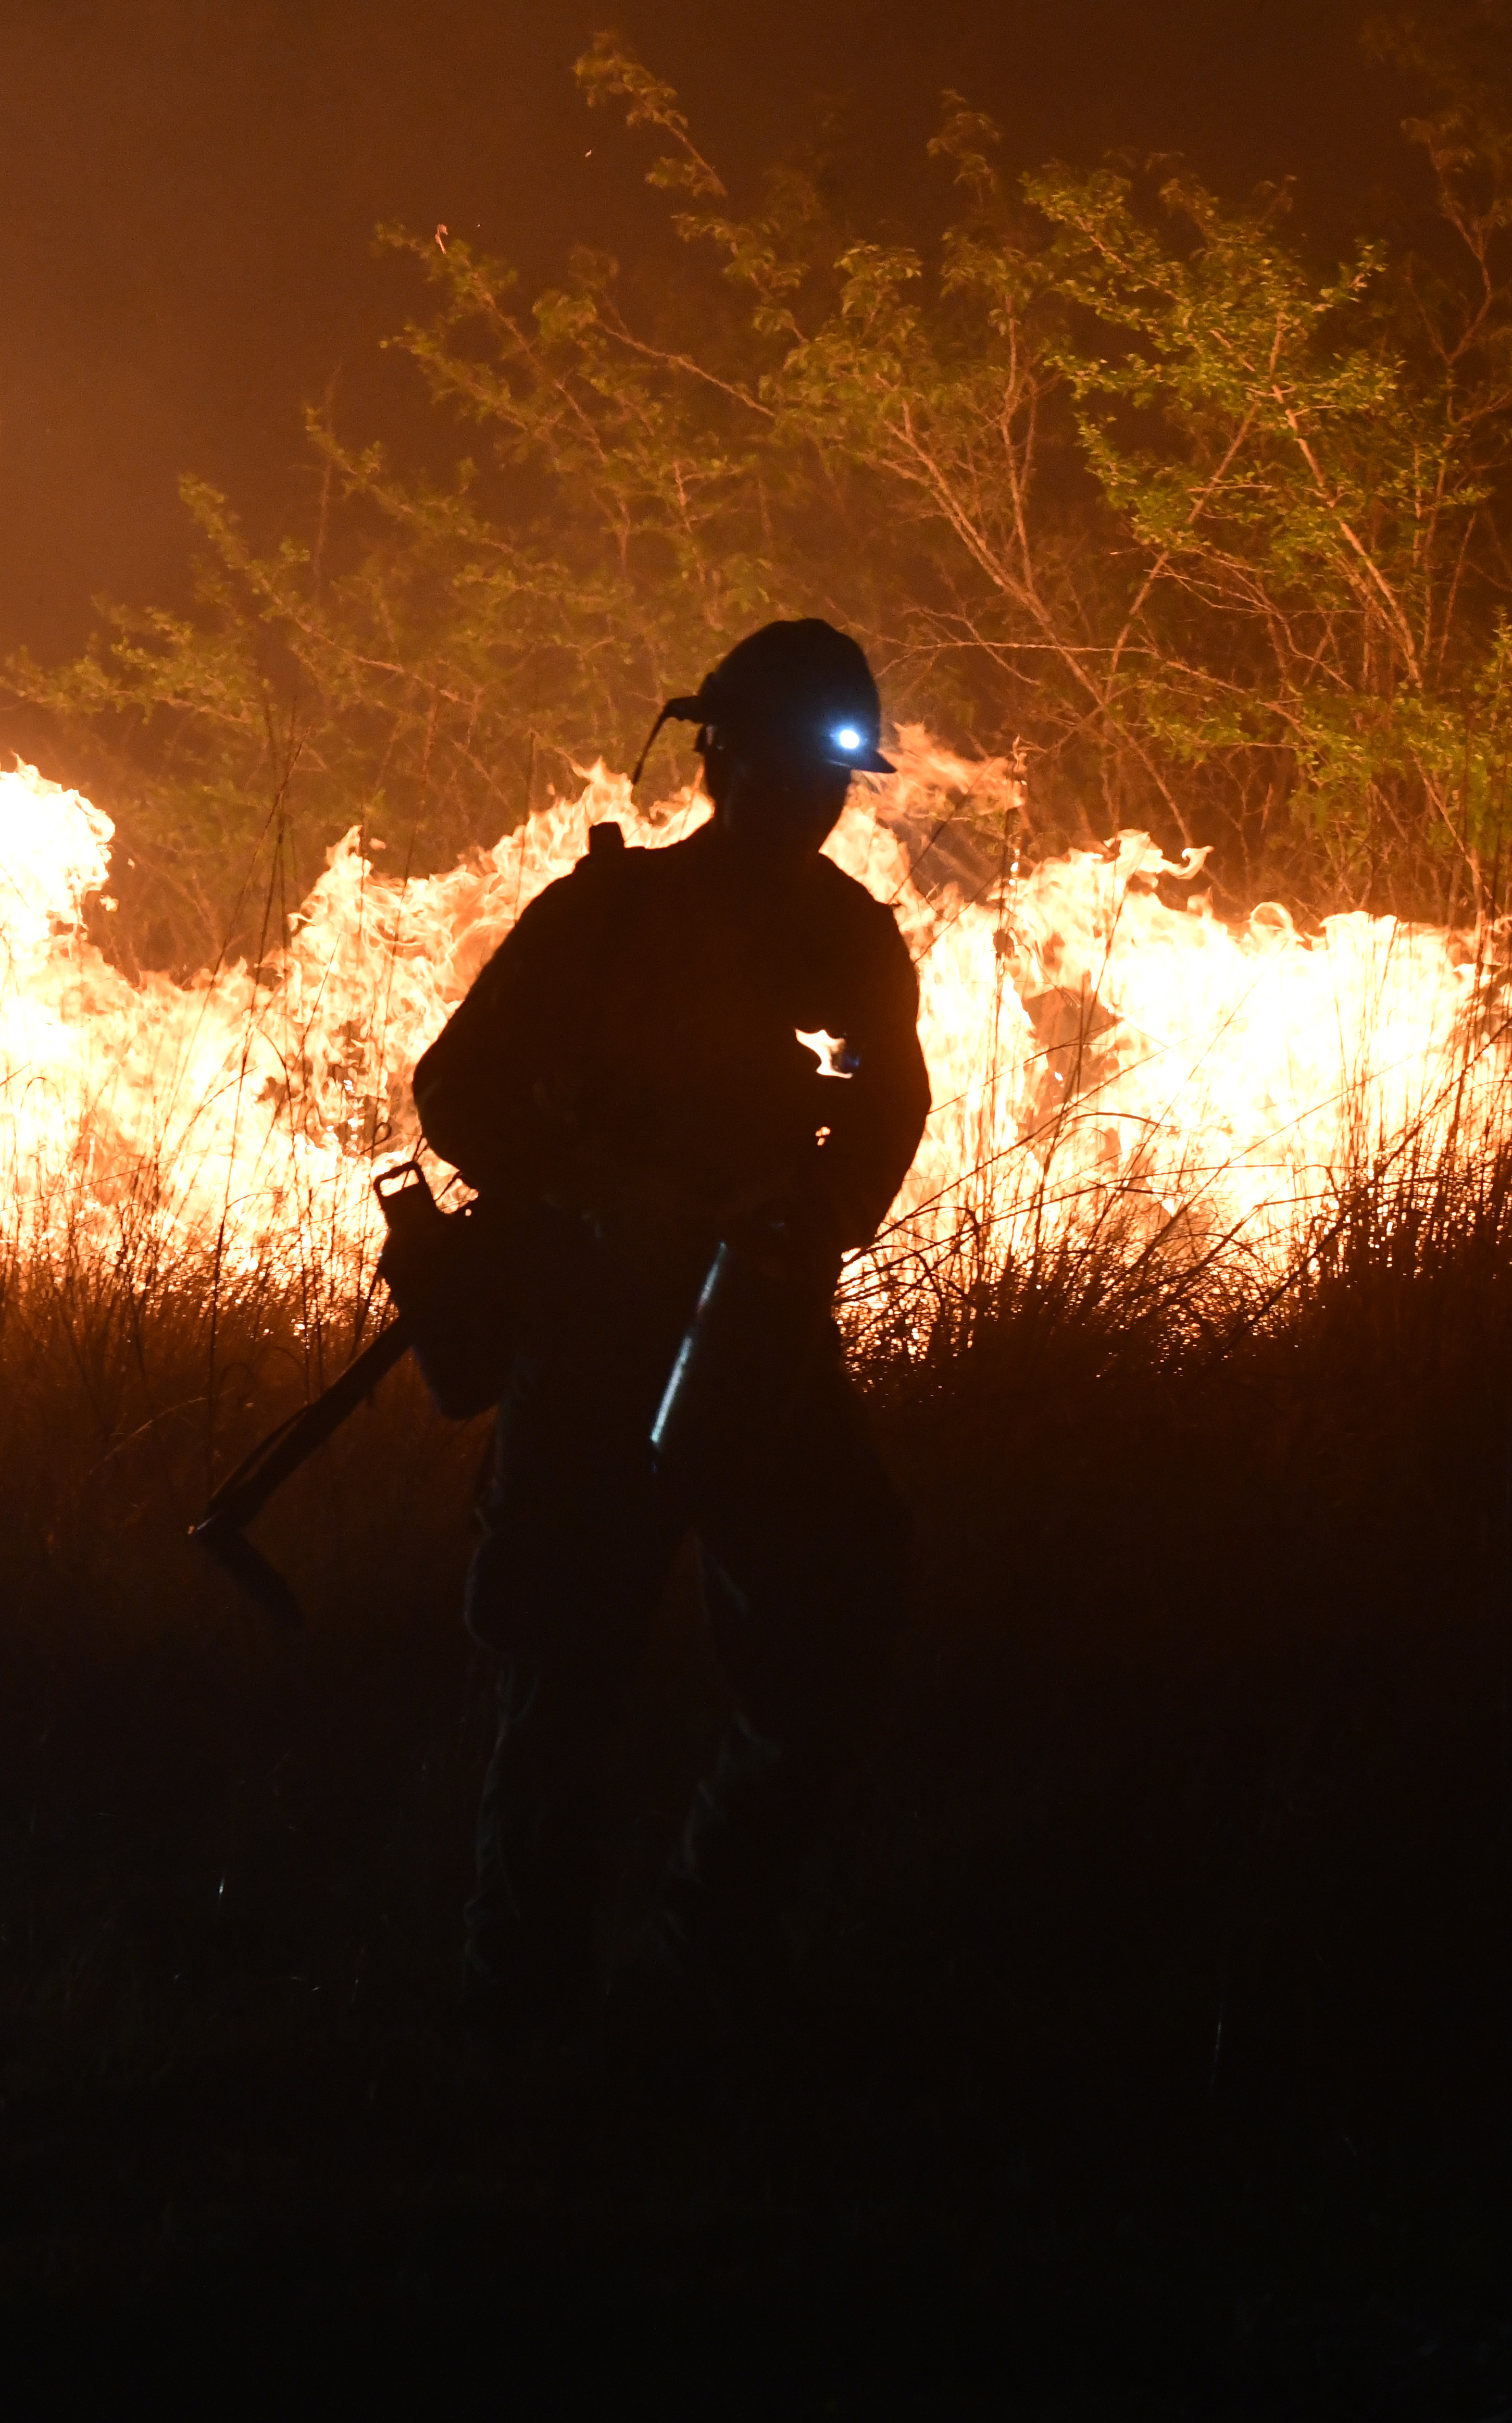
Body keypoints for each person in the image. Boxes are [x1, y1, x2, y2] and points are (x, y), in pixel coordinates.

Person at [407, 618, 932, 2041]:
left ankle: (714, 1942)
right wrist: (597, 1193)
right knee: (561, 1686)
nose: (804, 797)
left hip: (755, 1347)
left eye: (830, 775)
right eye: (777, 764)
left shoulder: (849, 936)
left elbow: (888, 1112)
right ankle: (520, 2005)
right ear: (717, 761)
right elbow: (453, 1092)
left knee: (836, 1635)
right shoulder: (600, 916)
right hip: (587, 1343)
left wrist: (806, 1218)